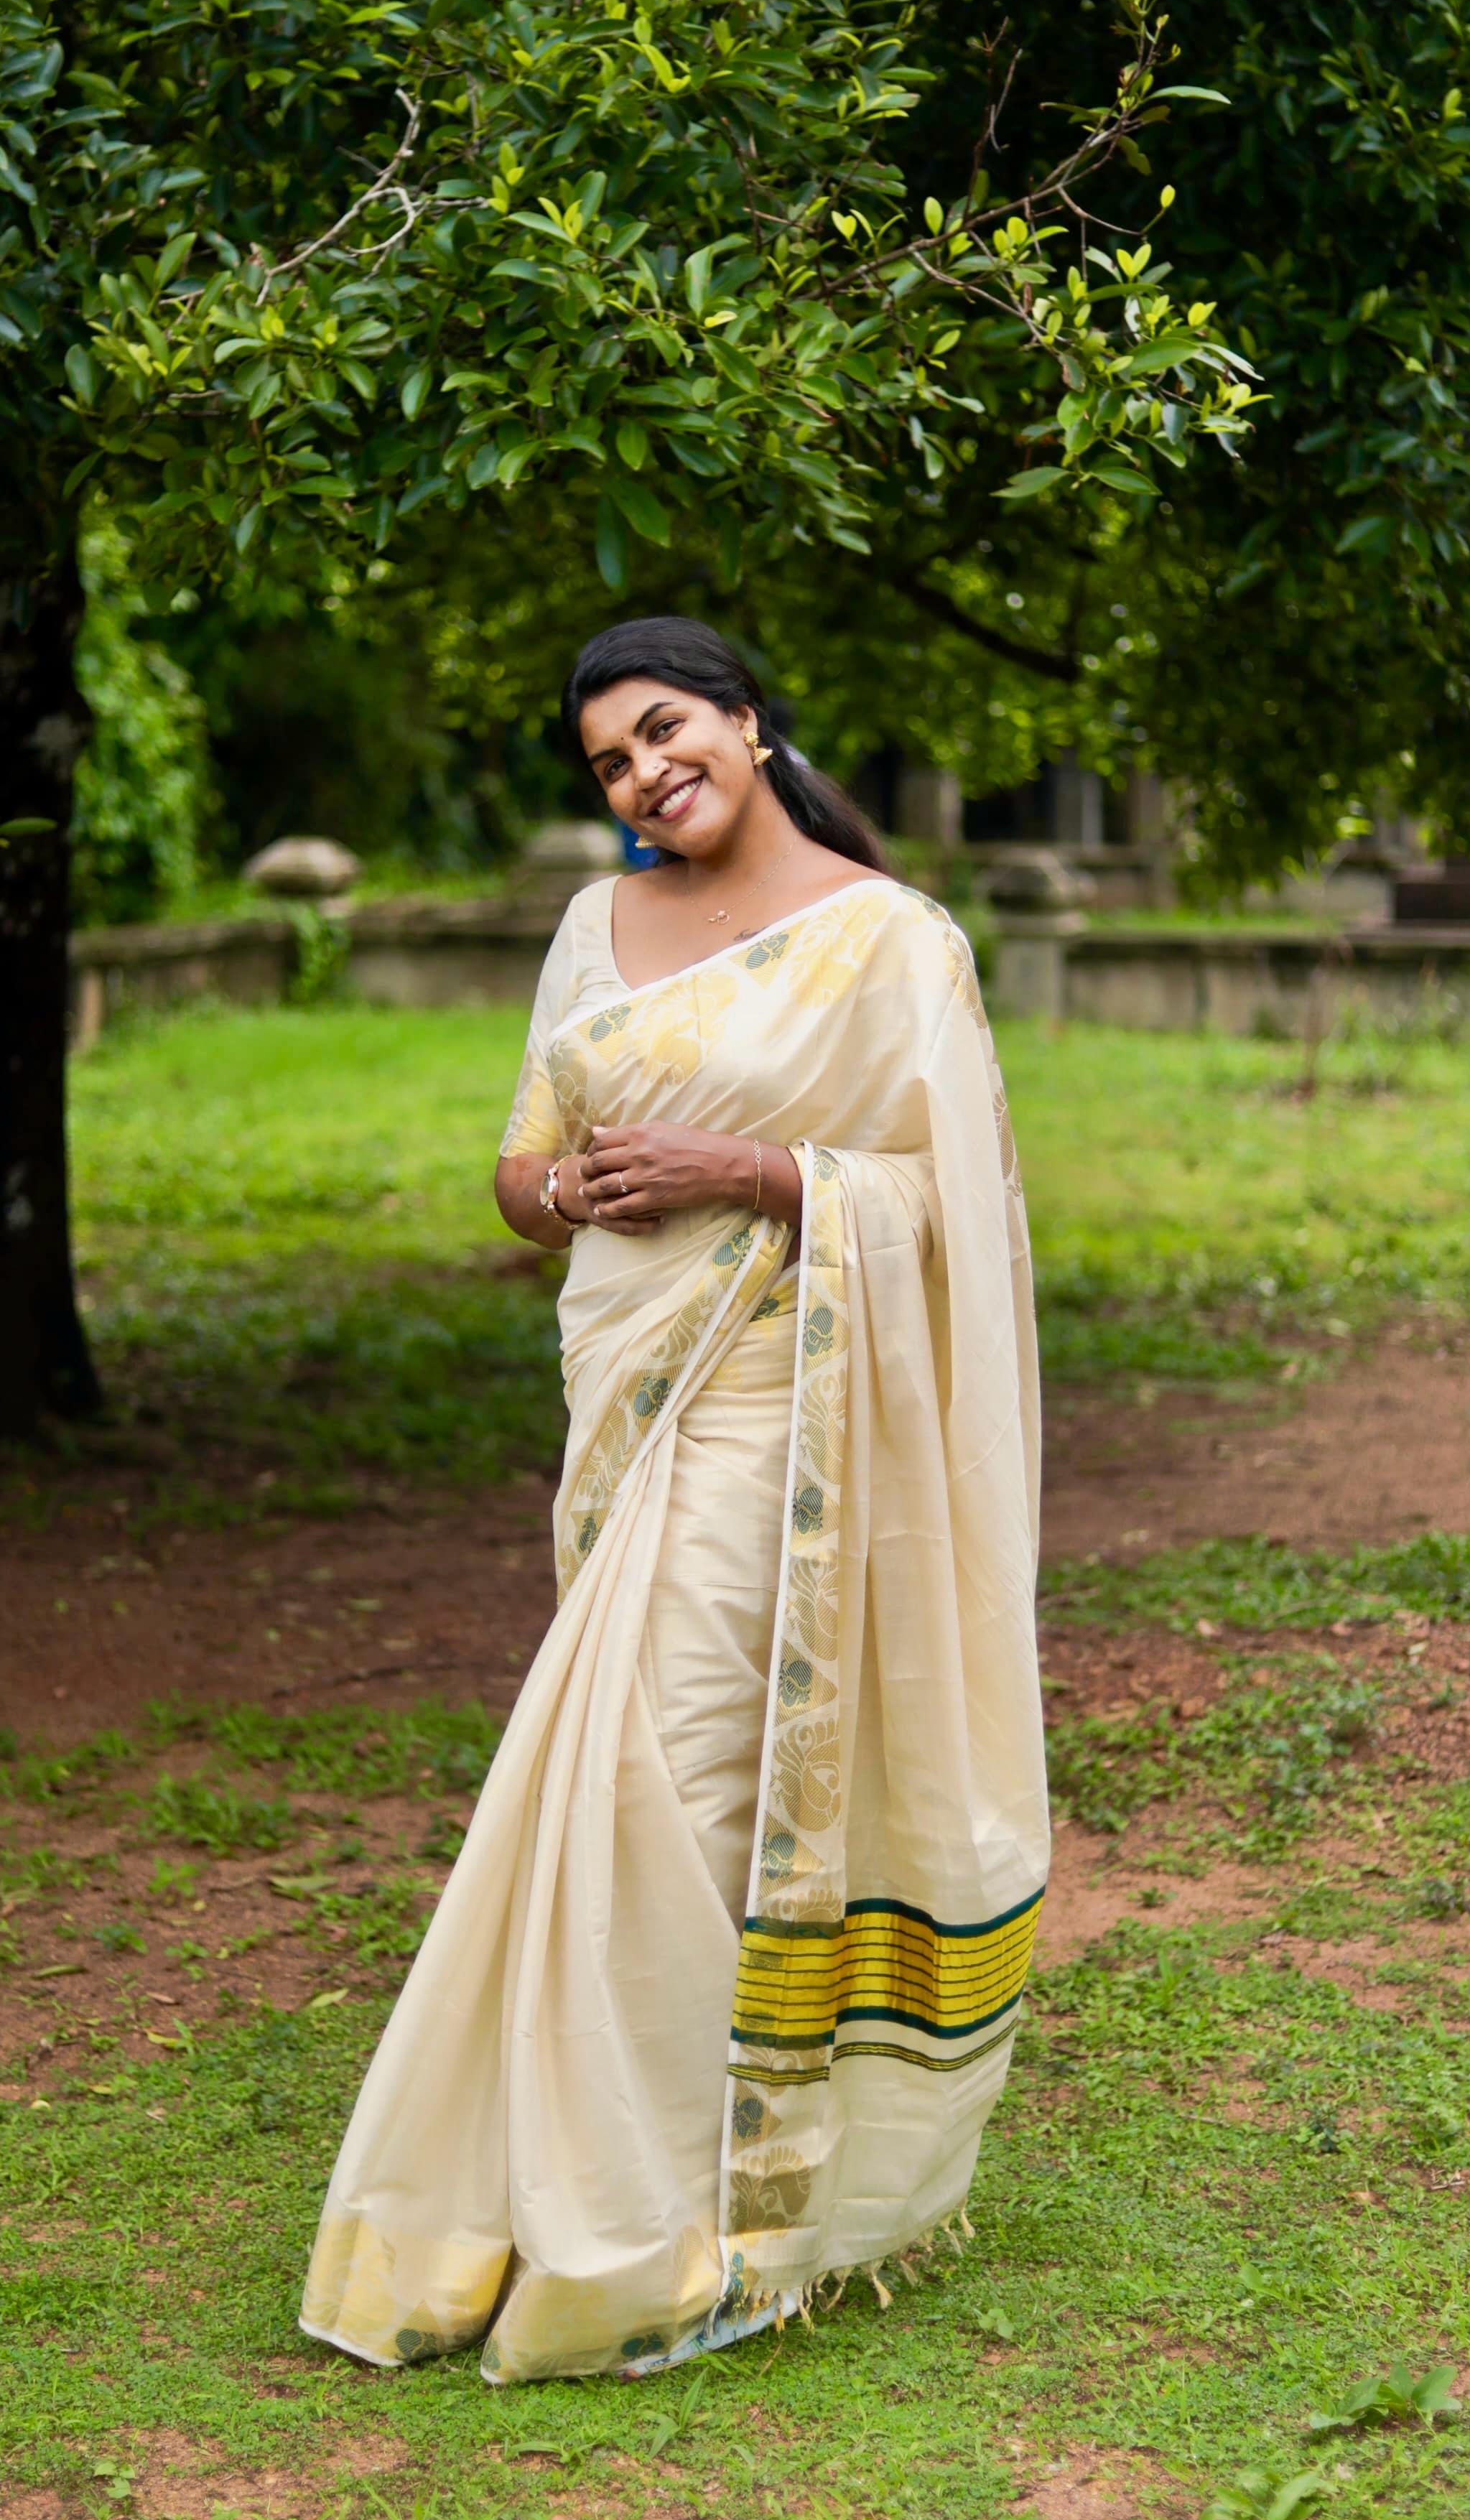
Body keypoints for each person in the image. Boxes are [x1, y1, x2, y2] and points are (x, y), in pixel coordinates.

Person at [301, 615, 1049, 2384]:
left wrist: (758, 1170)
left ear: (746, 720)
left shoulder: (891, 941)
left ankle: (659, 2218)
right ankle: (591, 2186)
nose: (644, 774)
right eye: (610, 761)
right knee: (620, 1783)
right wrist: (565, 1193)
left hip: (783, 1419)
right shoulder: (593, 927)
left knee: (674, 1782)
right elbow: (518, 1168)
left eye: (663, 730)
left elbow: (956, 1202)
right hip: (627, 1407)